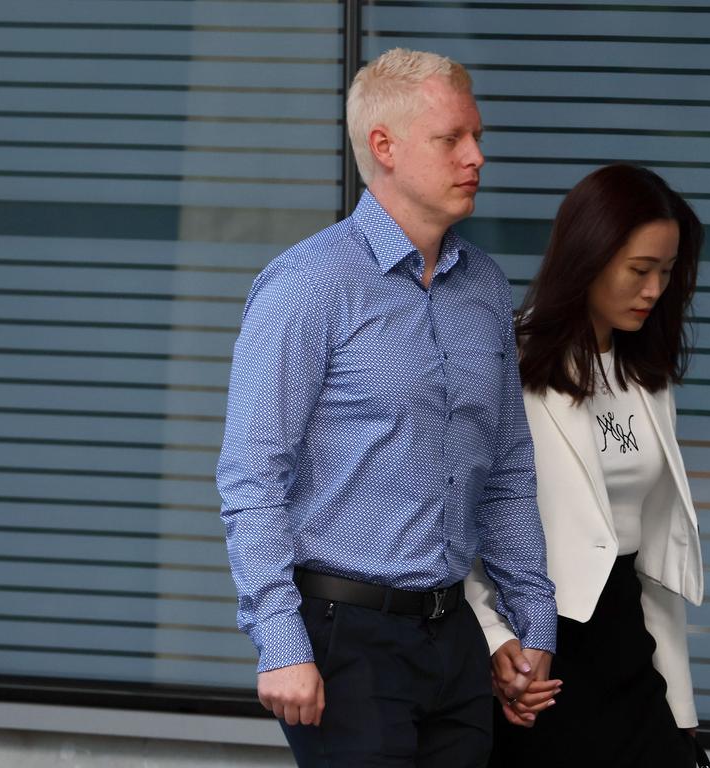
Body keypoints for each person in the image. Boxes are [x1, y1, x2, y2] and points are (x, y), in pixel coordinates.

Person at [216, 48, 557, 768]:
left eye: (479, 136)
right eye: (452, 139)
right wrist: (281, 645)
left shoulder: (486, 289)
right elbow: (252, 477)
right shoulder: (310, 287)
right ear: (385, 147)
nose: (476, 157)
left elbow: (507, 468)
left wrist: (532, 624)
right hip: (346, 636)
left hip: (454, 637)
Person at [465, 163, 709, 767]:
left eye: (667, 272)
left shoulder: (646, 377)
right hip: (544, 647)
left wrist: (681, 711)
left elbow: (651, 557)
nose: (654, 290)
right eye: (640, 270)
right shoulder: (511, 362)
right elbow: (464, 519)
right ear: (589, 258)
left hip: (627, 639)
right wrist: (496, 639)